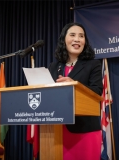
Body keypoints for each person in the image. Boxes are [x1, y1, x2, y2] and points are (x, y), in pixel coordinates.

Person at [48, 22, 103, 160]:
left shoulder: (93, 64)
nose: (77, 39)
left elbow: (97, 92)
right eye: (72, 35)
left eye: (81, 36)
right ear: (64, 39)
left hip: (85, 129)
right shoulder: (54, 67)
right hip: (57, 130)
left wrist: (75, 85)